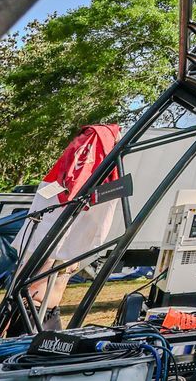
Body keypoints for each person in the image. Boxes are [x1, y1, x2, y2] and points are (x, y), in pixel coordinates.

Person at [12, 123, 123, 328]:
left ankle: (36, 315)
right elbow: (74, 179)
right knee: (46, 268)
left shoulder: (99, 146)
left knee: (55, 268)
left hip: (39, 305)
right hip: (61, 210)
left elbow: (75, 180)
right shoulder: (96, 142)